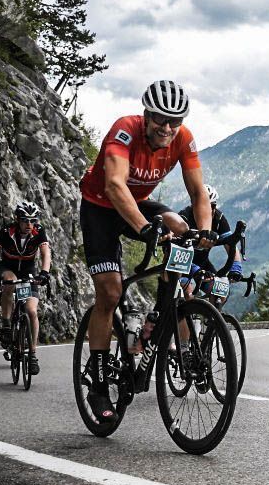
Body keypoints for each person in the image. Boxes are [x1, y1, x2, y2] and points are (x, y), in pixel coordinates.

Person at [78, 79, 214, 422]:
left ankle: (162, 310)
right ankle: (97, 383)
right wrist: (142, 228)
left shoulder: (183, 138)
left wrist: (206, 234)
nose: (166, 128)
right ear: (146, 115)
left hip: (139, 204)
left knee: (181, 229)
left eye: (174, 121)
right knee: (110, 293)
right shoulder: (124, 131)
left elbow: (199, 194)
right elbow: (113, 184)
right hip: (101, 208)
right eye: (159, 119)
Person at [0, 200, 51, 375]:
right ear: (17, 220)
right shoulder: (6, 232)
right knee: (10, 281)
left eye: (33, 220)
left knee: (31, 311)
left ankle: (33, 354)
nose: (29, 224)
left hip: (28, 271)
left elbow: (45, 252)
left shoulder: (38, 232)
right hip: (8, 267)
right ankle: (6, 324)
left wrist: (44, 272)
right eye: (25, 221)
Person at [178, 184, 241, 308]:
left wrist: (236, 267)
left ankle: (212, 323)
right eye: (205, 206)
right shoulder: (184, 217)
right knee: (187, 293)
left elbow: (231, 245)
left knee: (220, 292)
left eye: (212, 206)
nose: (209, 210)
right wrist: (195, 270)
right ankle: (186, 322)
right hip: (182, 264)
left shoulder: (219, 218)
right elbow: (177, 251)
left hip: (203, 263)